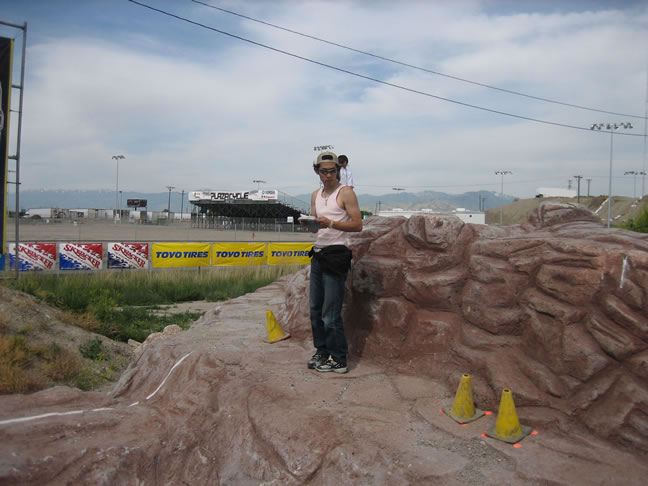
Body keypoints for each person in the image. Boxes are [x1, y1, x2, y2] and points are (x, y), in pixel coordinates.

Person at [304, 151, 362, 374]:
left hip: (336, 254)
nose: (328, 175)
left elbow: (357, 225)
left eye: (332, 171)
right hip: (318, 254)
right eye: (324, 171)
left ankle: (339, 358)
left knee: (330, 312)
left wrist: (331, 223)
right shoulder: (315, 195)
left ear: (338, 170)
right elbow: (316, 227)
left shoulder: (345, 193)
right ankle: (322, 351)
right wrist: (310, 224)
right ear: (316, 171)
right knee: (315, 309)